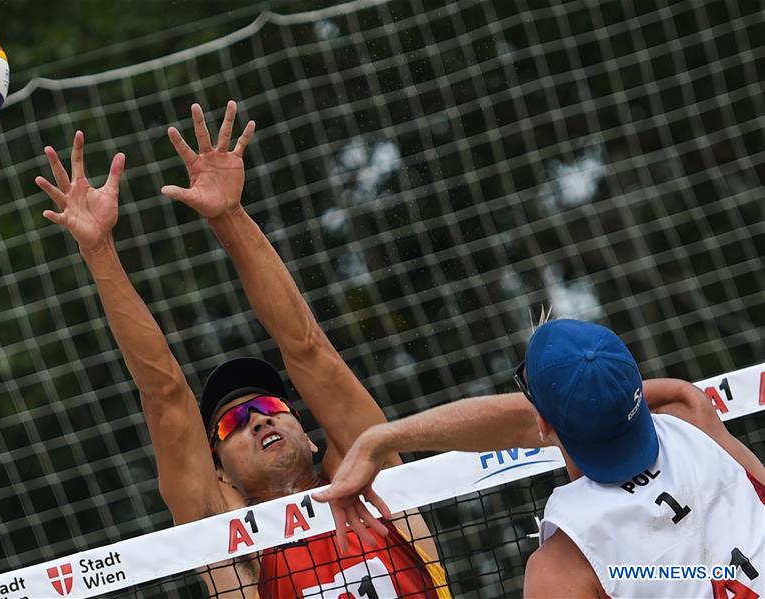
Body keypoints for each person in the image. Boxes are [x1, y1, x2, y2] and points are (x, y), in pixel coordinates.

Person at [34, 101, 547, 598]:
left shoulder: (377, 482)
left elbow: (306, 347)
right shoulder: (233, 553)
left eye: (268, 408)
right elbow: (165, 394)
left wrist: (230, 215)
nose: (258, 421)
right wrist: (98, 249)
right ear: (221, 476)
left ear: (313, 437)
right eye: (232, 424)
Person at [315, 319, 765, 598]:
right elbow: (586, 409)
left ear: (544, 427)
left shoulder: (560, 568)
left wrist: (380, 439)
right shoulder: (689, 413)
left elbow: (526, 420)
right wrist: (380, 438)